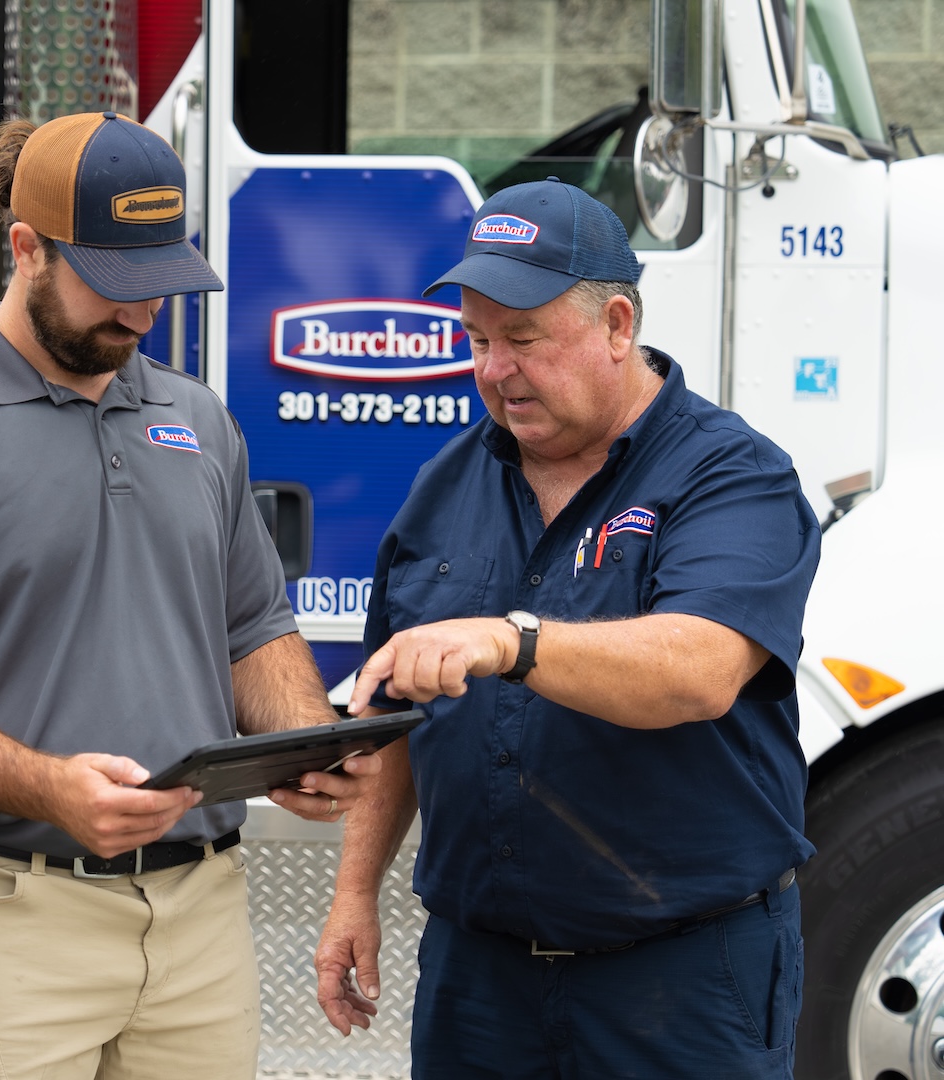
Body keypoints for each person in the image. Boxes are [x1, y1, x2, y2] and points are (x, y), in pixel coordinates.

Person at [0, 110, 379, 1079]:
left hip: (199, 918)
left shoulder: (198, 420)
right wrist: (49, 789)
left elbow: (252, 625)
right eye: (116, 283)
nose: (143, 315)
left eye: (162, 284)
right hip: (0, 915)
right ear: (27, 249)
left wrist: (306, 744)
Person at [313, 178, 820, 1078]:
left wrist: (511, 641)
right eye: (477, 341)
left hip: (682, 981)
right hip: (479, 982)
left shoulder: (732, 475)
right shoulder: (444, 484)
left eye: (524, 339)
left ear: (617, 325)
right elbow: (396, 716)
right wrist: (355, 892)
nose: (494, 370)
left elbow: (699, 668)